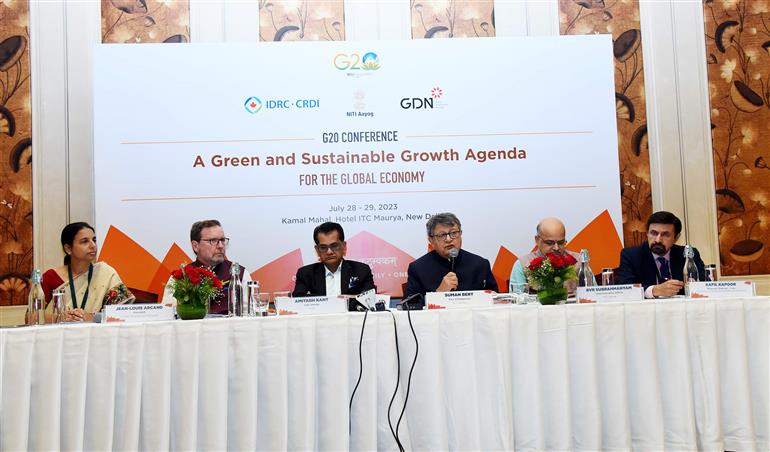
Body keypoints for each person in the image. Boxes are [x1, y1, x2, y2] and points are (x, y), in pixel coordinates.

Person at [41, 222, 133, 322]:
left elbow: (122, 313)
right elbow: (31, 317)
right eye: (84, 241)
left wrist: (92, 317)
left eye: (94, 240)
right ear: (68, 249)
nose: (93, 245)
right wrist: (61, 318)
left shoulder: (105, 273)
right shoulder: (51, 277)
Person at [161, 219, 250, 314]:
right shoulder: (181, 276)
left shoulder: (239, 274)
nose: (220, 246)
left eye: (222, 240)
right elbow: (168, 316)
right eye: (213, 240)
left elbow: (250, 316)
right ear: (195, 246)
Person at [405, 212, 498, 297]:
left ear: (460, 234)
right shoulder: (418, 268)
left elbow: (496, 300)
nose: (449, 239)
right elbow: (408, 306)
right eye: (442, 235)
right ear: (431, 240)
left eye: (453, 233)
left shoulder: (480, 264)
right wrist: (438, 293)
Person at [617, 211, 705, 298]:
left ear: (676, 237)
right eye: (654, 233)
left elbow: (704, 284)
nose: (658, 240)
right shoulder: (631, 256)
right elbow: (625, 288)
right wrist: (654, 290)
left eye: (665, 235)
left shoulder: (687, 255)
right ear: (647, 233)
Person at [292, 222, 376, 301]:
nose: (329, 252)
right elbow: (299, 300)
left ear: (344, 246)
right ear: (317, 250)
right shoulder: (305, 274)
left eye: (334, 246)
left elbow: (369, 299)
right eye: (323, 247)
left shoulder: (361, 270)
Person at [509, 217, 581, 291]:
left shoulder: (578, 262)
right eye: (550, 243)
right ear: (537, 240)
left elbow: (591, 295)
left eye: (560, 242)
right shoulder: (522, 264)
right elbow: (517, 298)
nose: (556, 248)